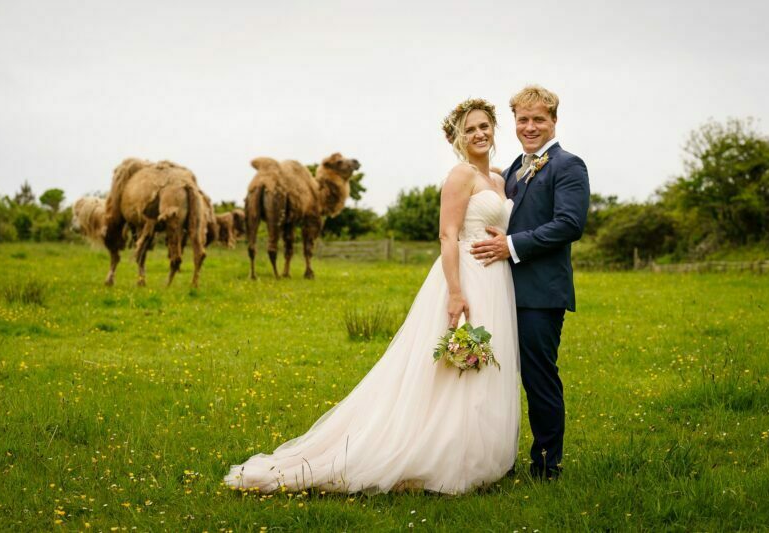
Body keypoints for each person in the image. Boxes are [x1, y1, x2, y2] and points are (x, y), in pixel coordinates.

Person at [224, 98, 521, 494]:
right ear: (458, 139)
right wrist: (454, 292)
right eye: (470, 130)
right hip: (465, 276)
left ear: (494, 129)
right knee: (455, 365)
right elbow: (447, 235)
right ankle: (441, 453)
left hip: (496, 280)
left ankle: (480, 454)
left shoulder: (499, 181)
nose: (479, 134)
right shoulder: (459, 175)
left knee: (486, 364)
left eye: (484, 126)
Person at [471, 85, 589, 480]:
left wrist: (511, 244)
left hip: (541, 293)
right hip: (502, 291)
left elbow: (570, 224)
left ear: (554, 121)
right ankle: (493, 459)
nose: (530, 126)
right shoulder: (512, 172)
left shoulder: (568, 166)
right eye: (523, 119)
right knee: (497, 376)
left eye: (539, 119)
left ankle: (546, 465)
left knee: (539, 378)